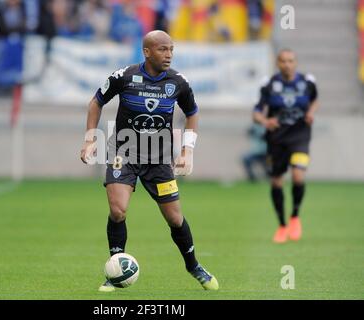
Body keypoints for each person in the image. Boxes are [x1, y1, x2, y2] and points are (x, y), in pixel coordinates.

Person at [80, 30, 219, 292]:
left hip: (158, 159)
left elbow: (192, 113)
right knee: (118, 210)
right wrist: (90, 138)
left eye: (171, 50)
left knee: (175, 219)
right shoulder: (125, 76)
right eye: (162, 49)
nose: (168, 55)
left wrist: (188, 150)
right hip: (124, 153)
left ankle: (193, 266)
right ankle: (115, 269)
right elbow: (95, 102)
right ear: (147, 52)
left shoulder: (178, 82)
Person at [253, 48, 319, 243]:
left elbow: (315, 101)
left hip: (300, 136)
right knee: (276, 182)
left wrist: (311, 112)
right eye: (283, 61)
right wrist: (265, 122)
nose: (287, 64)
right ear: (277, 63)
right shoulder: (270, 85)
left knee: (298, 176)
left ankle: (295, 216)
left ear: (296, 62)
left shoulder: (307, 82)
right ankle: (282, 225)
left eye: (290, 61)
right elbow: (257, 112)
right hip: (277, 139)